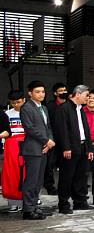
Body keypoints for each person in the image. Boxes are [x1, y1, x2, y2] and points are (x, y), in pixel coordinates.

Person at [53, 85, 94, 215]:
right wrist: (66, 147)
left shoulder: (80, 109)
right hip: (70, 148)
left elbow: (85, 130)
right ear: (78, 94)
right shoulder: (64, 108)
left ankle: (80, 202)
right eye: (86, 95)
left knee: (81, 176)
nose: (88, 98)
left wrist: (89, 148)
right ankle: (64, 204)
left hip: (82, 147)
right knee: (67, 177)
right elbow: (61, 130)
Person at [20, 81, 55, 220]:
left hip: (44, 149)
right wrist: (46, 140)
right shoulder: (26, 108)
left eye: (43, 91)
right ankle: (28, 210)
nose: (41, 94)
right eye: (37, 92)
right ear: (30, 93)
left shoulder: (44, 108)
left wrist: (49, 141)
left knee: (39, 180)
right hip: (33, 149)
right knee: (31, 180)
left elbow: (48, 127)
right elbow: (30, 129)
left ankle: (34, 206)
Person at [2, 91, 26, 212]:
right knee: (11, 173)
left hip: (27, 143)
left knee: (28, 172)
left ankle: (29, 199)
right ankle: (13, 201)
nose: (16, 105)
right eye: (13, 102)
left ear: (24, 100)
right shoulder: (7, 114)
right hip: (11, 144)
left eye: (18, 102)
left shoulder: (30, 112)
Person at [43, 82, 68, 194]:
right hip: (53, 140)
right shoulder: (49, 106)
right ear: (55, 93)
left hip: (66, 140)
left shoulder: (70, 105)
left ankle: (67, 186)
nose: (63, 92)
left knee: (67, 164)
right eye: (61, 91)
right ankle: (49, 186)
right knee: (50, 165)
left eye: (64, 90)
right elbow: (46, 124)